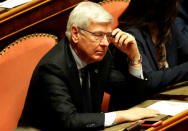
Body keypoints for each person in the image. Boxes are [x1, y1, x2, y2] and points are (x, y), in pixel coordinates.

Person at [18, 1, 159, 131]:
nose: (104, 43)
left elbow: (129, 94)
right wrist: (121, 116)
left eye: (108, 35)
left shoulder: (100, 56)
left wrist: (134, 58)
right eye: (98, 35)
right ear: (75, 33)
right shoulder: (52, 68)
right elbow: (69, 121)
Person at [110, 0, 188, 111]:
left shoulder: (167, 27)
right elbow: (150, 80)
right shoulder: (129, 37)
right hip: (136, 108)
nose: (177, 5)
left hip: (167, 100)